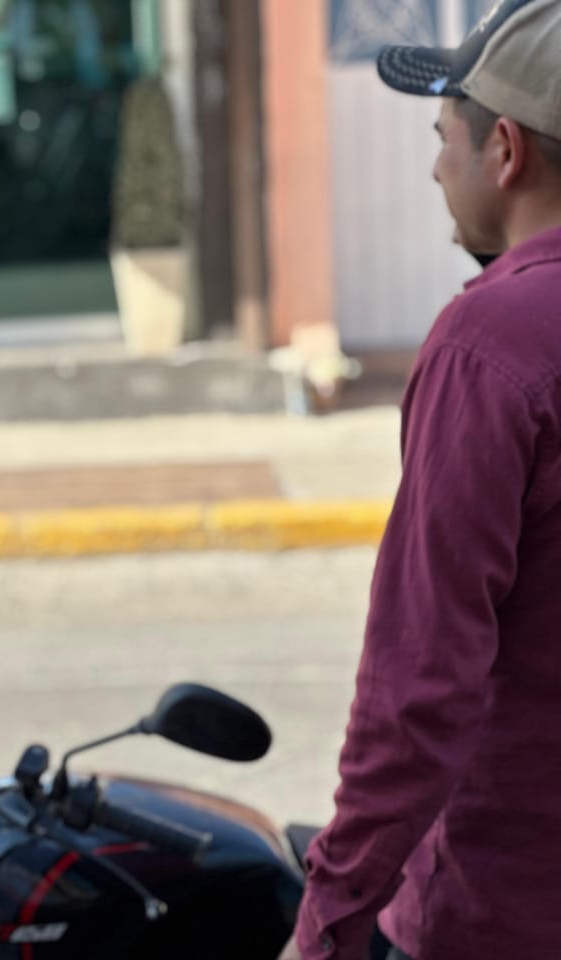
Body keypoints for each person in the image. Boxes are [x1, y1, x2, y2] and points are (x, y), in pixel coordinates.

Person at [281, 0, 561, 957]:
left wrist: (326, 923)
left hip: (503, 914)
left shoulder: (492, 345)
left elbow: (420, 689)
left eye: (444, 137)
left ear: (505, 151)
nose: (436, 167)